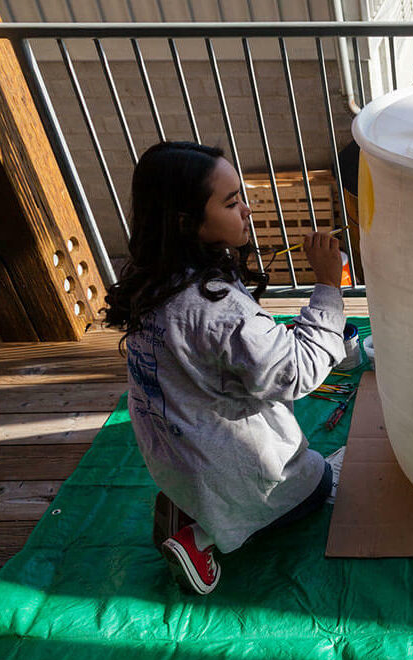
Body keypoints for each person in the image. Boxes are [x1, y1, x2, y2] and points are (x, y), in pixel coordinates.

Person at [103, 142, 348, 595]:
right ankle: (200, 537)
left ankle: (194, 506)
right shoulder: (218, 310)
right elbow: (296, 372)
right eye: (232, 202)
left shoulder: (150, 275)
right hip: (223, 465)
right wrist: (328, 286)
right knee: (314, 489)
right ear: (186, 222)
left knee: (220, 482)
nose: (247, 211)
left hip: (172, 456)